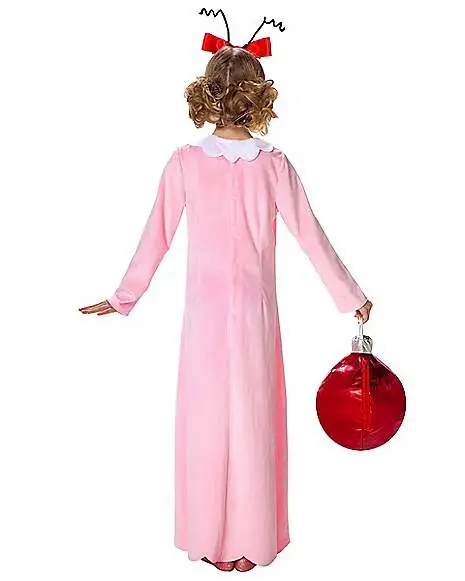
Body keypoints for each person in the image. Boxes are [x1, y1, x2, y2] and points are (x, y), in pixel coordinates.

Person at [80, 9, 372, 573]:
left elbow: (156, 236)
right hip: (253, 314)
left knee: (209, 419)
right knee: (253, 419)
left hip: (207, 316)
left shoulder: (194, 162)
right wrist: (350, 294)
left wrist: (123, 297)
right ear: (256, 98)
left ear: (208, 96)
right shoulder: (269, 164)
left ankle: (214, 537)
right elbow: (311, 236)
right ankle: (247, 539)